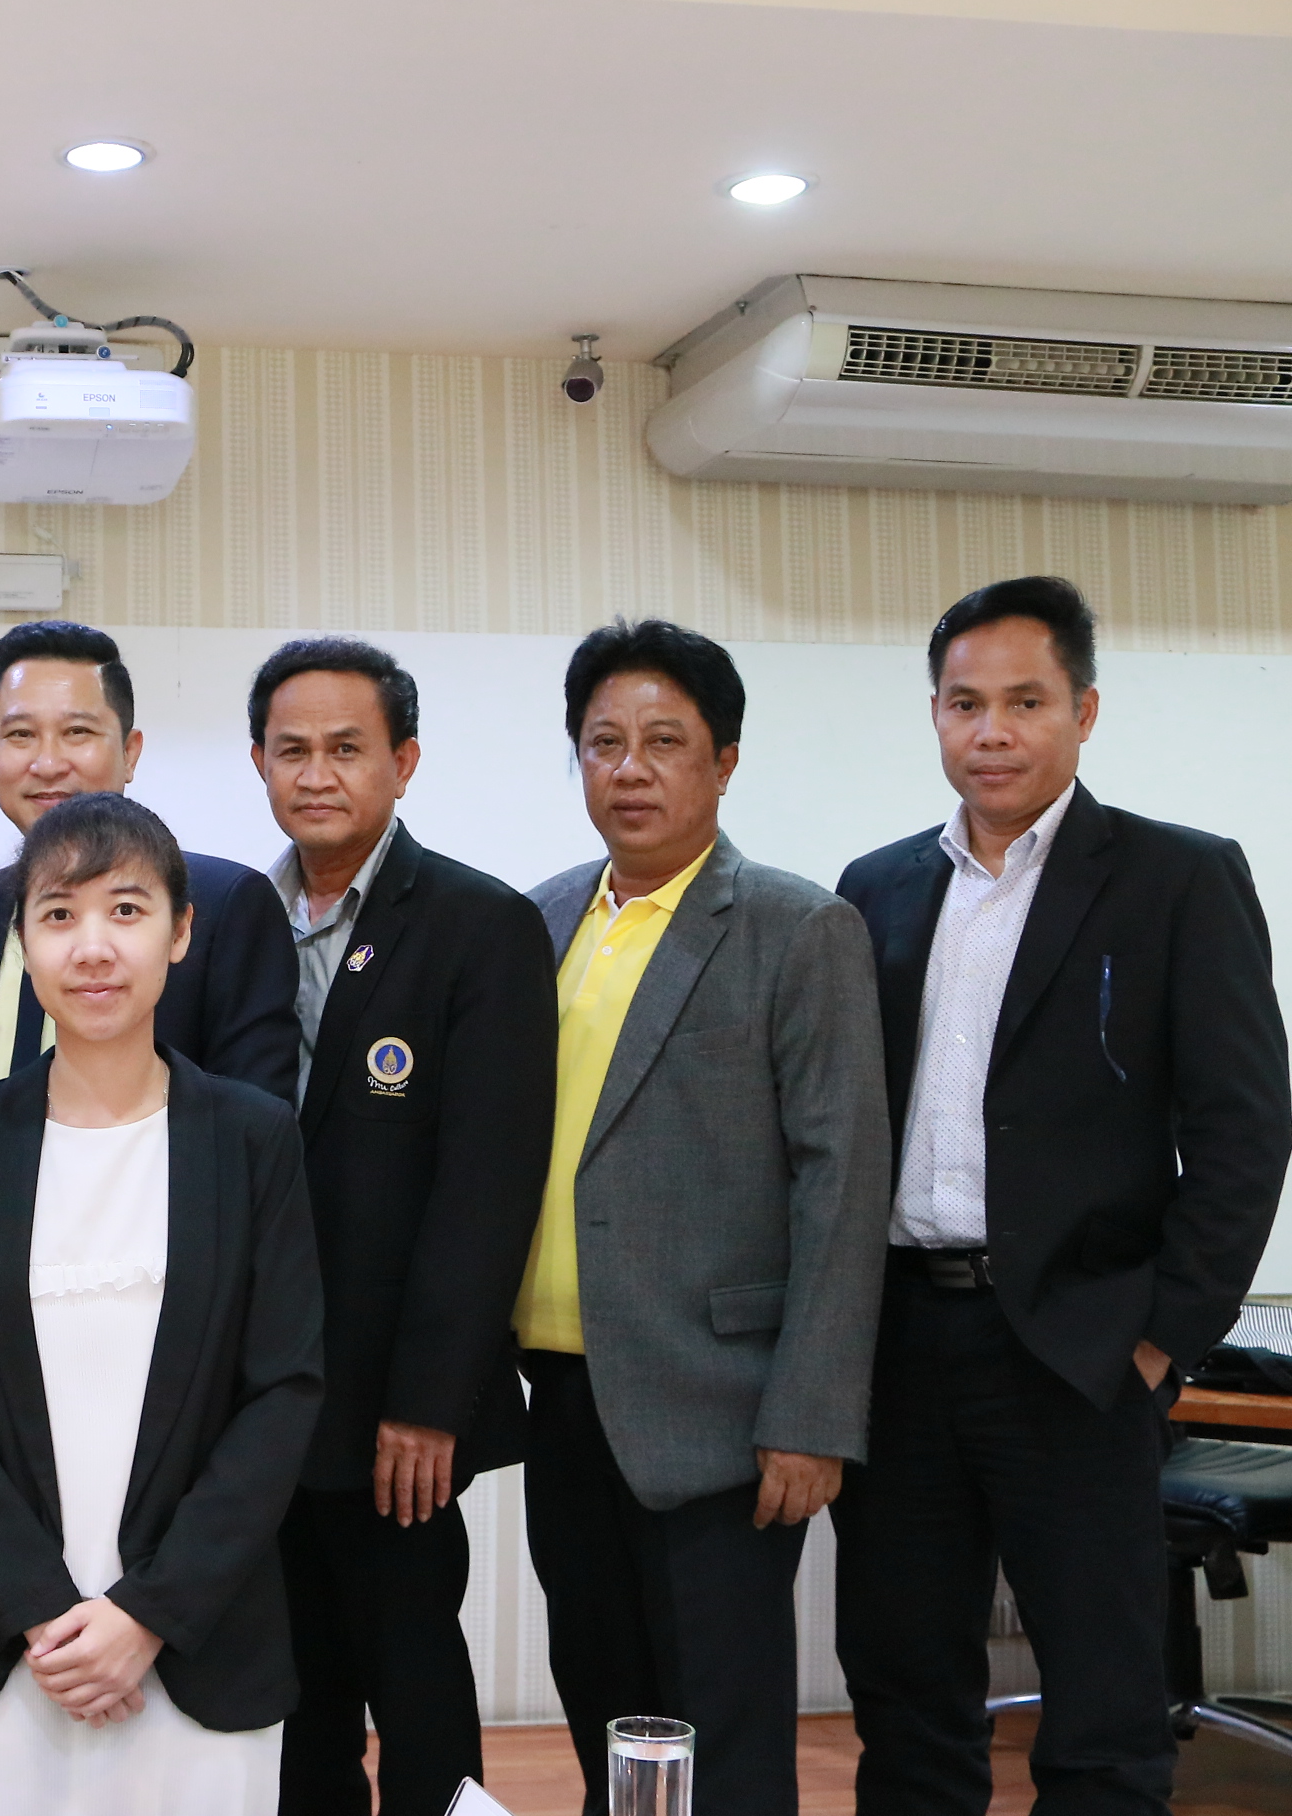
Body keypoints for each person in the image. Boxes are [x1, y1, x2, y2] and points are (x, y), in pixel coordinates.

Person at [832, 577, 1292, 1816]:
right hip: (898, 1342)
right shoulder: (874, 887)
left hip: (1080, 1349)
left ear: (1083, 711)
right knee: (904, 1690)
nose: (993, 731)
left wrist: (1161, 1335)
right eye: (965, 703)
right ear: (935, 714)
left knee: (1102, 1710)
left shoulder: (1177, 878)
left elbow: (1245, 1129)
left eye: (1026, 702)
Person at [0, 791, 324, 1815]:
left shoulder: (253, 1137)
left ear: (181, 932)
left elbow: (284, 1390)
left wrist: (147, 1615)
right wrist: (44, 1612)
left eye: (127, 910)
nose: (93, 947)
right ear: (22, 940)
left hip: (196, 1642)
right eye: (59, 913)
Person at [519, 618, 893, 1816]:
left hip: (722, 1408)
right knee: (606, 1712)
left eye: (664, 741)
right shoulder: (539, 919)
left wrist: (811, 1414)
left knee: (719, 1741)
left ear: (724, 760)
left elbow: (843, 1178)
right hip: (562, 1395)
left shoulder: (798, 927)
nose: (629, 769)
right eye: (603, 742)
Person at [248, 638, 556, 1816]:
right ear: (260, 762)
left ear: (404, 761)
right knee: (296, 1689)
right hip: (262, 1387)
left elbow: (489, 1185)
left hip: (395, 1402)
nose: (316, 774)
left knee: (413, 1674)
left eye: (347, 748)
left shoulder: (479, 923)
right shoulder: (231, 917)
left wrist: (431, 1399)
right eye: (292, 750)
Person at [0, 622, 302, 1104]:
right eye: (20, 734)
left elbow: (254, 1122)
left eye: (77, 732)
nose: (48, 763)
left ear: (130, 752)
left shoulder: (229, 905)